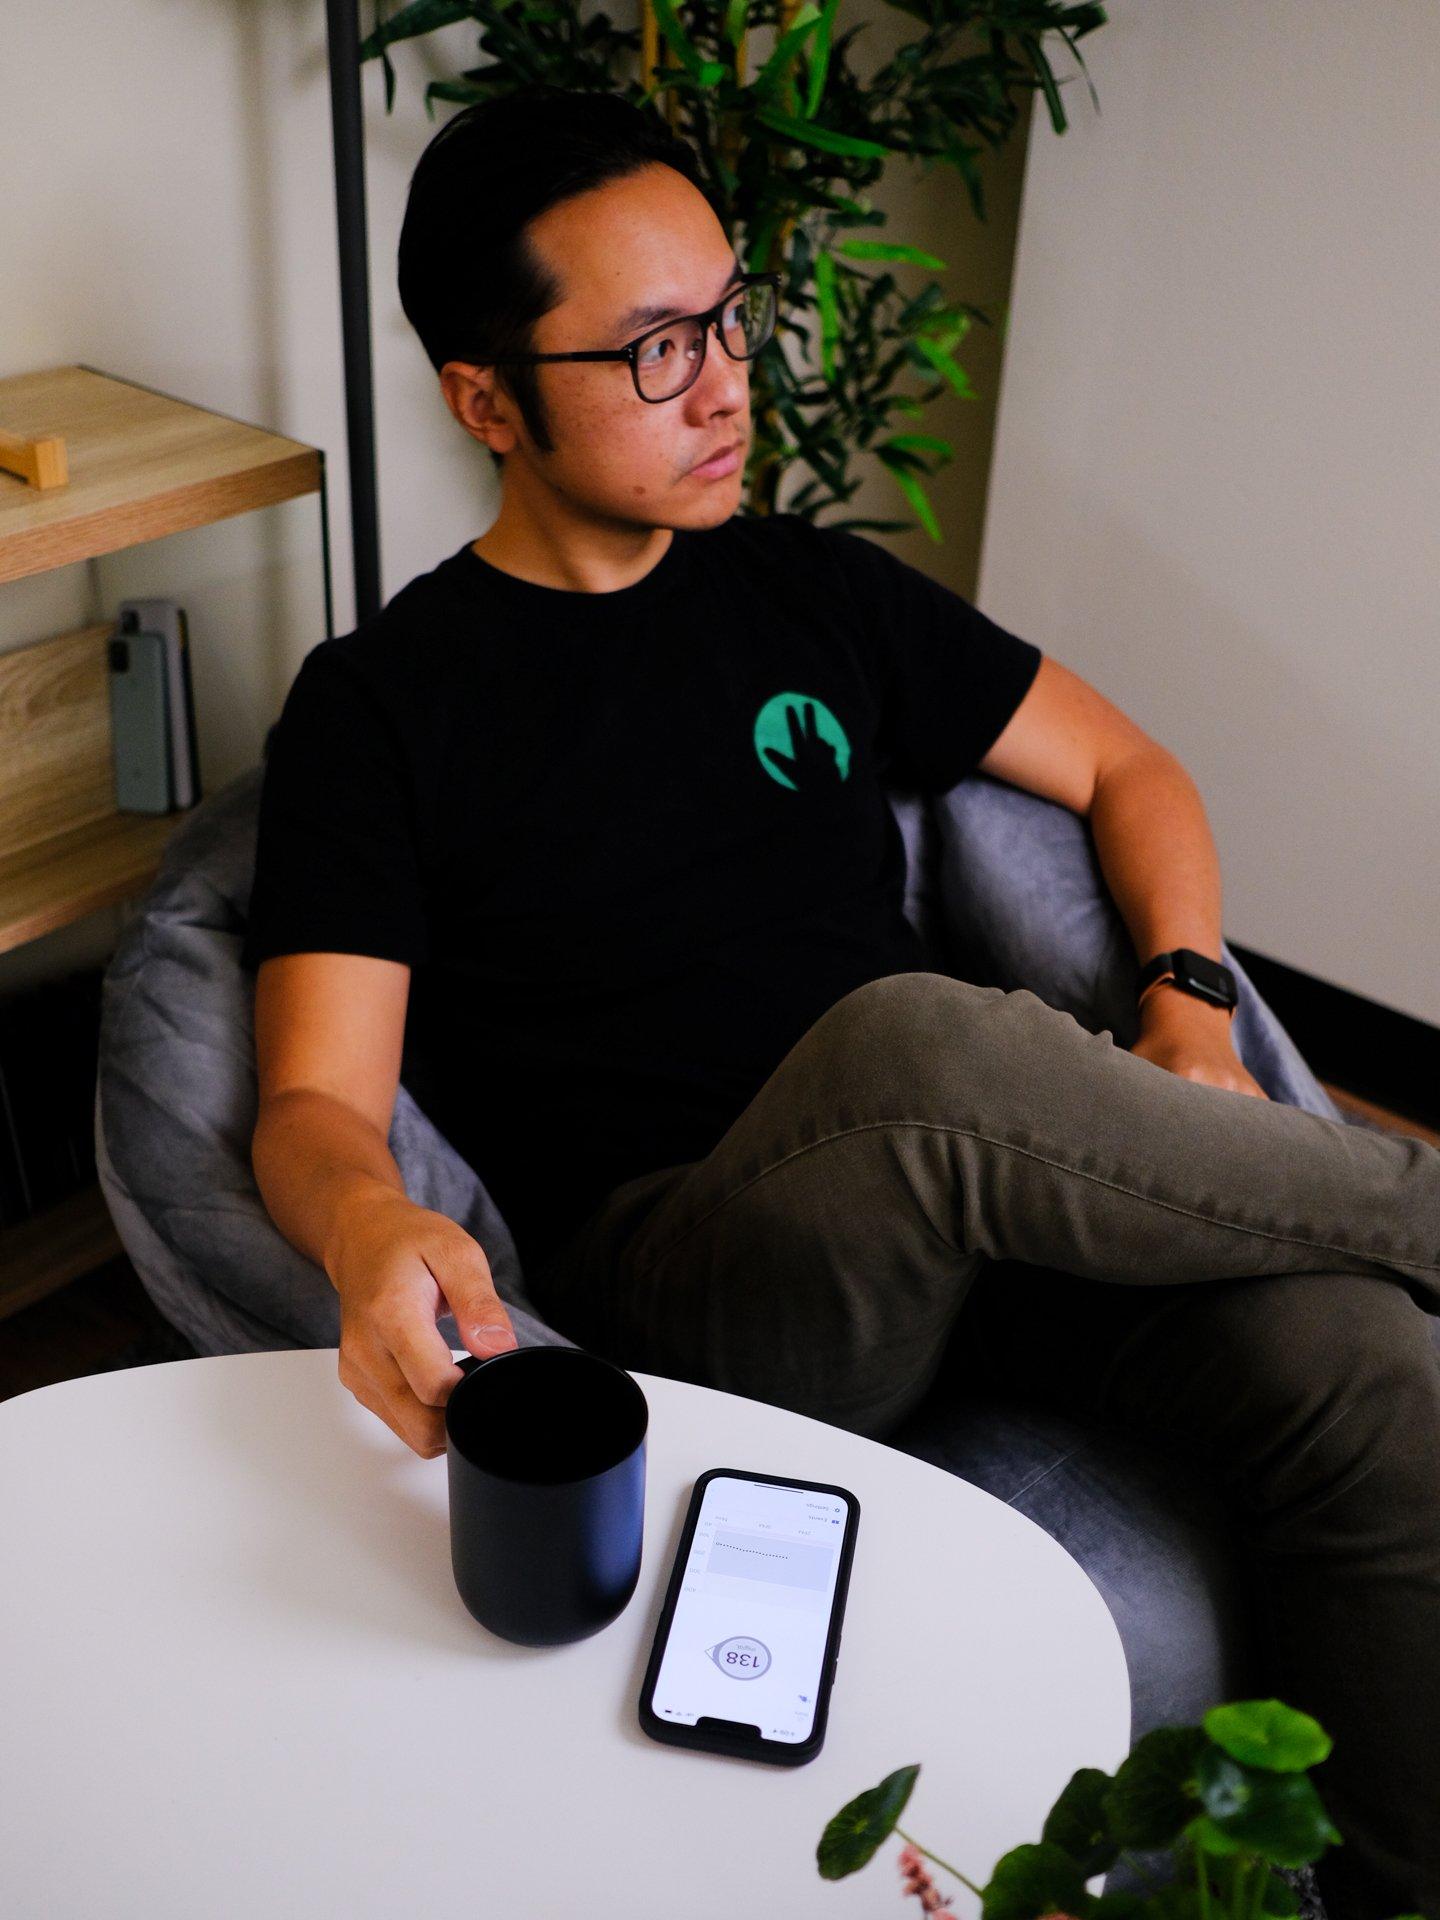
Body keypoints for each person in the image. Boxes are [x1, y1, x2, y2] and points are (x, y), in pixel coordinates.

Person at [241, 84, 1440, 1920]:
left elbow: (1131, 769)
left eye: (729, 320)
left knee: (1363, 1367)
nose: (730, 386)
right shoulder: (380, 708)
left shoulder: (809, 592)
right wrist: (369, 1221)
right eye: (655, 350)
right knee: (913, 1045)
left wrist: (1189, 1009)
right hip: (717, 1279)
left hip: (991, 1199)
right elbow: (314, 1108)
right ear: (487, 400)